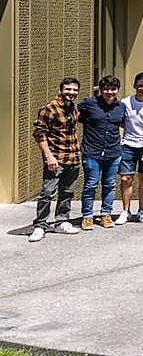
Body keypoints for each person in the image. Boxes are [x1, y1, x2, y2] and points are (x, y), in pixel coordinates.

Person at [30, 77, 83, 242]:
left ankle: (61, 221)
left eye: (74, 90)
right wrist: (48, 156)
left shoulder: (74, 109)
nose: (71, 93)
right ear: (60, 90)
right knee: (47, 193)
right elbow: (39, 133)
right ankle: (40, 225)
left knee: (67, 192)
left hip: (73, 157)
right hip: (55, 159)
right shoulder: (49, 109)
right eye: (68, 89)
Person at [77, 75, 125, 230]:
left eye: (113, 89)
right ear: (101, 89)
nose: (109, 92)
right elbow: (74, 115)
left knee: (110, 184)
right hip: (92, 151)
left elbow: (123, 124)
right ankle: (87, 216)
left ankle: (106, 214)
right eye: (106, 89)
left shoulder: (121, 106)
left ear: (117, 90)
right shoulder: (88, 104)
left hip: (113, 152)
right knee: (90, 184)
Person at [118, 72, 143, 223]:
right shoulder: (125, 102)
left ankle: (141, 210)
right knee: (126, 178)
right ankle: (125, 211)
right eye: (140, 85)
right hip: (128, 144)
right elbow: (121, 122)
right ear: (134, 86)